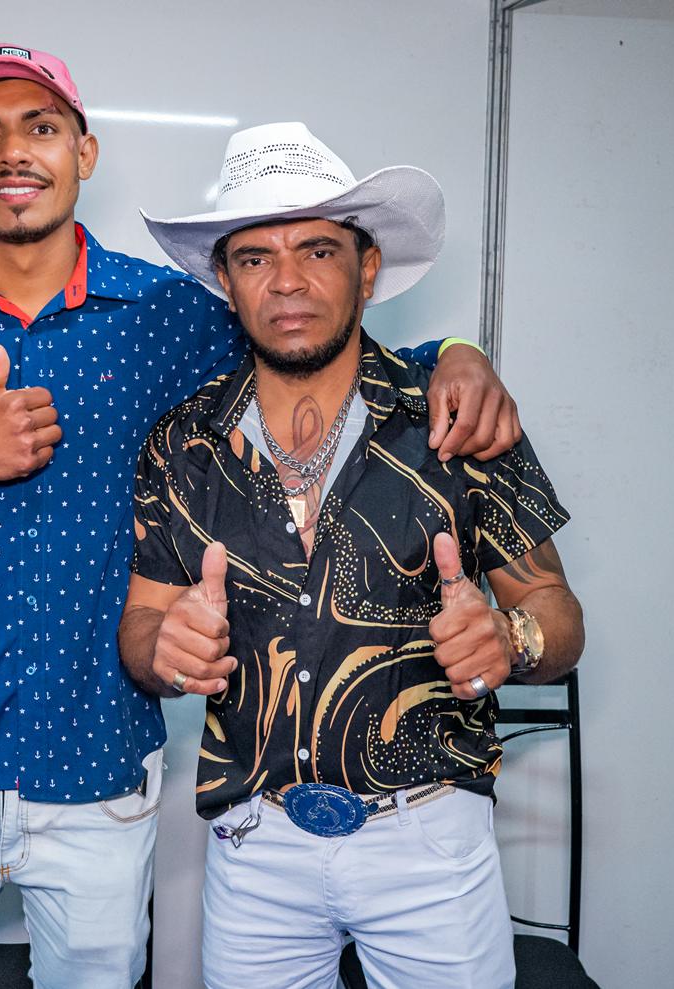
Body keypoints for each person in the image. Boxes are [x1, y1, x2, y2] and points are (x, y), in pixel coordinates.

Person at [0, 45, 523, 989]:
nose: (12, 152)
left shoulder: (168, 314)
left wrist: (455, 351)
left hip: (98, 772)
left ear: (84, 153)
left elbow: (310, 339)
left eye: (40, 127)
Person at [120, 122, 585, 989]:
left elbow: (558, 609)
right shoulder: (181, 445)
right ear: (226, 281)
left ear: (367, 268)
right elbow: (142, 625)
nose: (287, 279)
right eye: (255, 257)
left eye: (318, 249)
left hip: (428, 840)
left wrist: (512, 636)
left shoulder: (456, 423)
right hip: (254, 846)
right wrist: (162, 648)